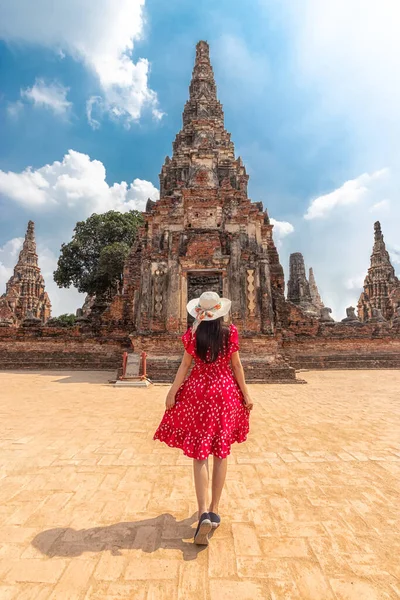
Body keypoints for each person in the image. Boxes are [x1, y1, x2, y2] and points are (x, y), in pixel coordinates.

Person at [153, 291, 253, 546]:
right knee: (221, 453)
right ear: (220, 312)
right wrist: (246, 394)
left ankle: (201, 514)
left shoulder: (193, 334)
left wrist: (172, 392)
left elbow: (185, 366)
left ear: (200, 311)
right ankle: (214, 509)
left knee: (200, 456)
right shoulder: (230, 333)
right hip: (224, 392)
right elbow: (237, 366)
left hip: (198, 392)